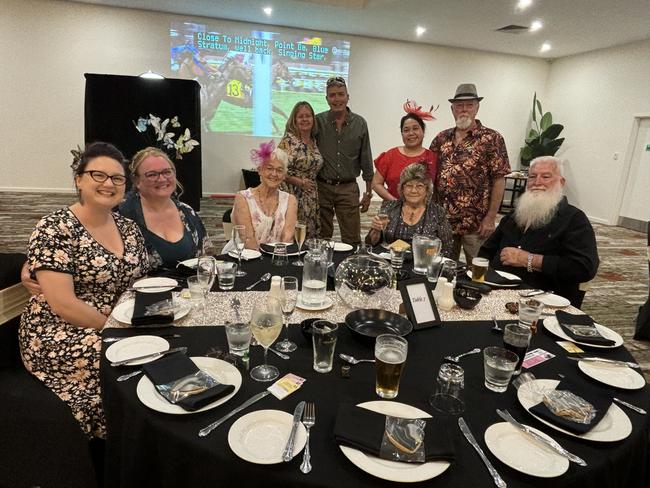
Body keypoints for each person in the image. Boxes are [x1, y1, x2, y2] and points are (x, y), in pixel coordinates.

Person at [19, 142, 148, 438]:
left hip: (117, 321)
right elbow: (63, 305)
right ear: (79, 179)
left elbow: (141, 281)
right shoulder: (55, 227)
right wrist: (117, 330)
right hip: (60, 329)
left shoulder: (128, 228)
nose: (108, 184)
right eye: (98, 175)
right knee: (130, 360)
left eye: (117, 178)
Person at [478, 156, 599, 307]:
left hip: (543, 303)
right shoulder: (514, 216)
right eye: (532, 176)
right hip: (497, 294)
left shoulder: (574, 219)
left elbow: (584, 268)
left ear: (561, 182)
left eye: (546, 176)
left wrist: (530, 260)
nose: (537, 182)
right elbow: (485, 252)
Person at [429, 83, 510, 263]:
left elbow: (499, 179)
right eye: (459, 105)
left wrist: (490, 218)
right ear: (452, 109)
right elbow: (431, 175)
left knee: (477, 269)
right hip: (444, 221)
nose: (464, 109)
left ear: (477, 108)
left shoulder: (492, 138)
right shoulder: (441, 138)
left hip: (476, 223)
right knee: (443, 268)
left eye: (469, 105)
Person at [119, 147, 206, 269]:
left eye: (167, 172)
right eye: (152, 175)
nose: (162, 179)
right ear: (136, 181)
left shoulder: (187, 212)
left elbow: (205, 259)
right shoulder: (122, 215)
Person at [315, 76, 373, 245]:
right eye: (332, 95)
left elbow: (366, 159)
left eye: (341, 94)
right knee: (321, 238)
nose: (337, 99)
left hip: (348, 189)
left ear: (348, 97)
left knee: (352, 239)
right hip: (322, 187)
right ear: (327, 99)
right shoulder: (317, 122)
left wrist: (368, 192)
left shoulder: (360, 123)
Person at [365, 163, 453, 257]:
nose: (413, 191)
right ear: (402, 188)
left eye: (419, 186)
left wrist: (428, 259)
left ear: (427, 190)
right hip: (392, 261)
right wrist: (376, 230)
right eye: (409, 186)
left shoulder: (438, 212)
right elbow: (371, 244)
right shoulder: (389, 207)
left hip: (424, 265)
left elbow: (446, 249)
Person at [225, 141, 298, 251]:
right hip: (244, 255)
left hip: (277, 257)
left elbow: (287, 239)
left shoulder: (290, 200)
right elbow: (248, 239)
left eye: (279, 170)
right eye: (269, 168)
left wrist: (277, 261)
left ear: (284, 175)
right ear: (259, 170)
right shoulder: (243, 198)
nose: (274, 174)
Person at [372, 100, 438, 200]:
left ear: (423, 131)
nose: (411, 133)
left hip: (425, 211)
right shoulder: (391, 155)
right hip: (393, 210)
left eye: (415, 128)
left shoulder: (432, 158)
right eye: (406, 130)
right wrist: (395, 203)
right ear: (402, 134)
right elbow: (376, 183)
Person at [278, 101, 324, 239]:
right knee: (292, 234)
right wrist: (299, 182)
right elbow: (278, 170)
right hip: (292, 194)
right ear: (294, 120)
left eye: (308, 116)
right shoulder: (289, 141)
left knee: (309, 236)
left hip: (310, 198)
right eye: (301, 116)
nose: (305, 119)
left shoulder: (314, 141)